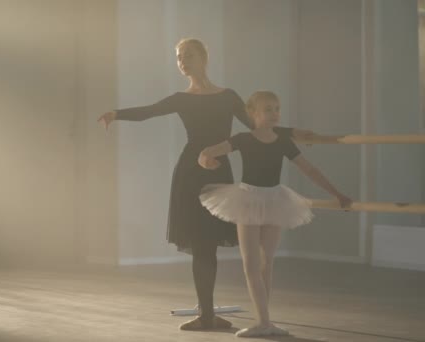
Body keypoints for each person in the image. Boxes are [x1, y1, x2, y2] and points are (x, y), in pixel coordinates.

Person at [97, 38, 313, 330]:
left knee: (208, 242)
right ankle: (207, 315)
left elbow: (257, 126)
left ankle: (209, 314)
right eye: (178, 57)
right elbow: (149, 111)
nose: (182, 61)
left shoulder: (228, 96)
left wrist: (299, 134)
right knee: (200, 243)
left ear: (203, 57)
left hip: (218, 169)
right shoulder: (180, 98)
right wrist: (116, 114)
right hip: (189, 172)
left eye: (187, 55)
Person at [198, 90, 352, 337]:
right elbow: (207, 152)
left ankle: (264, 322)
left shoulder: (283, 141)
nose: (274, 113)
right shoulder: (243, 139)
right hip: (248, 199)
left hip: (274, 199)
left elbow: (309, 170)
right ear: (253, 113)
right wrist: (205, 160)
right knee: (251, 264)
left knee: (266, 263)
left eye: (277, 108)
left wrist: (338, 194)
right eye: (268, 109)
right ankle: (264, 321)